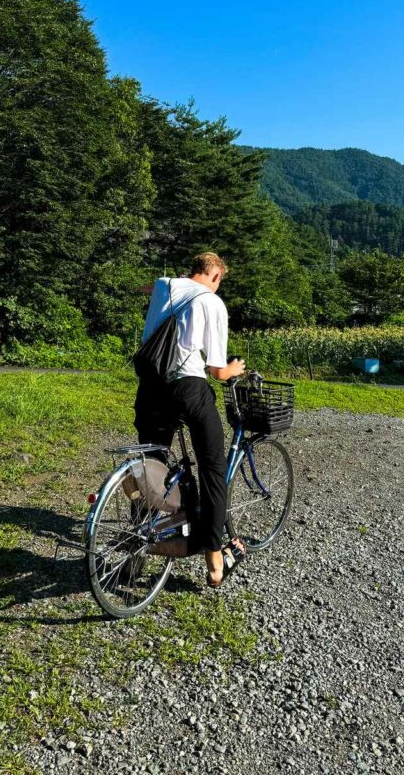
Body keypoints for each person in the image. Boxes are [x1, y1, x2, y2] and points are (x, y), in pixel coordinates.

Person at [134, 251, 246, 587]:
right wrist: (234, 369)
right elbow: (216, 370)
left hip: (151, 388)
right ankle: (215, 562)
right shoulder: (212, 303)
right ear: (216, 276)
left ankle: (135, 548)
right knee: (212, 467)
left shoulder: (163, 287)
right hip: (188, 388)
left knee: (149, 464)